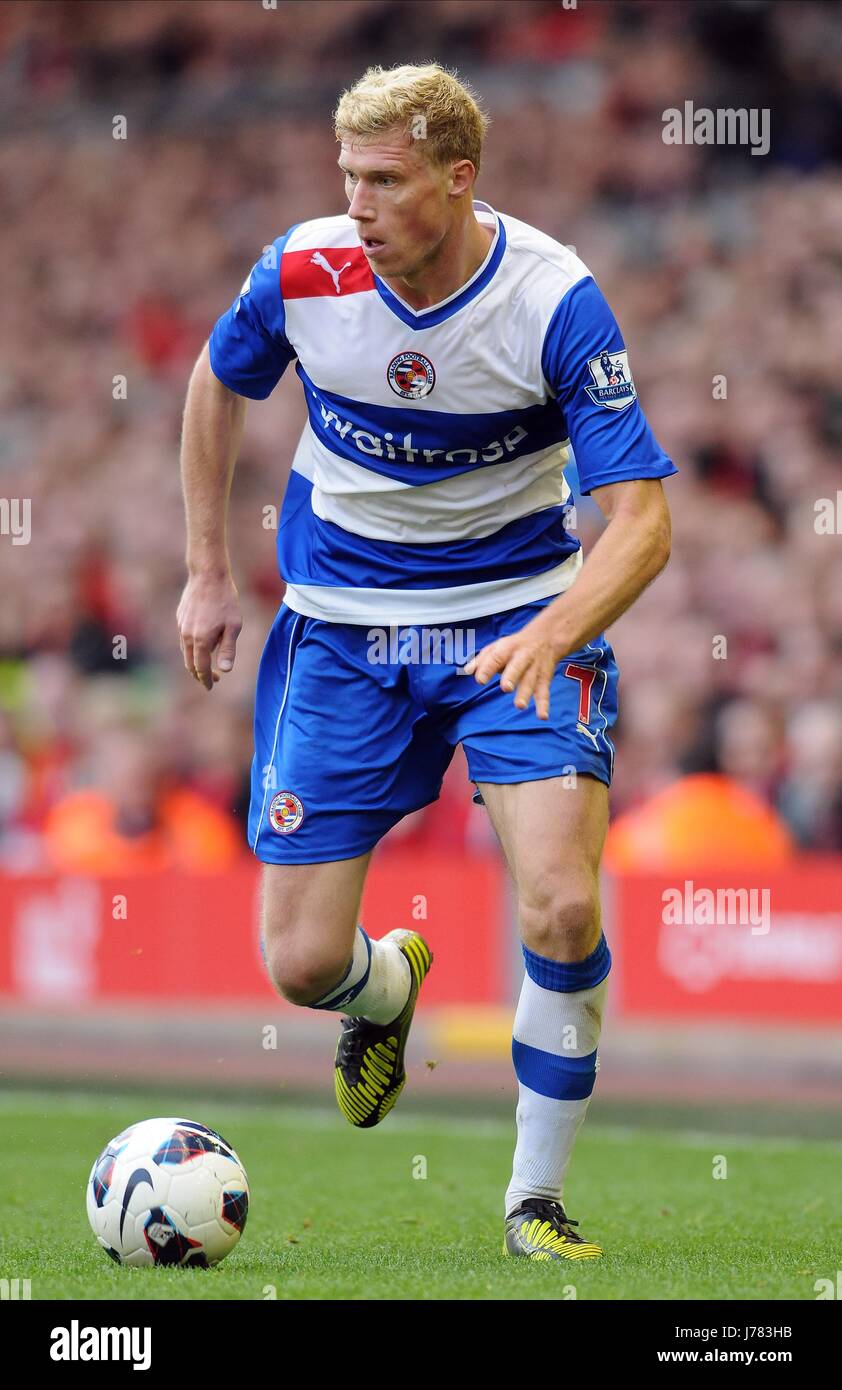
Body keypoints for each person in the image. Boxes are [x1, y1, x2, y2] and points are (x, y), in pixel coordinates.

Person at [177, 63, 676, 1261]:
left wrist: (556, 632)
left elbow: (644, 519)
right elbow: (214, 384)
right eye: (346, 176)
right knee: (299, 964)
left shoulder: (553, 302)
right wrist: (206, 567)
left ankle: (531, 1204)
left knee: (558, 903)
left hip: (514, 621)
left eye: (385, 181)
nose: (355, 203)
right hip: (342, 624)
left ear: (458, 181)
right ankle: (388, 994)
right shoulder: (302, 269)